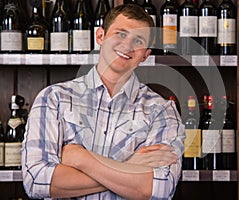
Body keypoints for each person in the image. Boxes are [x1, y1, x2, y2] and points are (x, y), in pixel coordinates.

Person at [21, 4, 185, 200]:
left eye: (138, 40)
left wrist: (81, 159)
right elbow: (37, 181)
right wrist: (131, 167)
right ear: (100, 36)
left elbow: (159, 188)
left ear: (145, 55)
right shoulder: (54, 98)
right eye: (121, 34)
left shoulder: (162, 111)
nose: (128, 45)